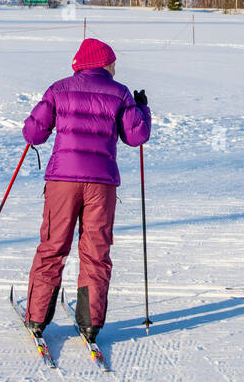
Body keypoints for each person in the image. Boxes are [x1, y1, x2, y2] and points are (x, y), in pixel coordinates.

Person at [22, 37, 151, 341]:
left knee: (53, 246)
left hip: (62, 183)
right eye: (112, 63)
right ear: (103, 64)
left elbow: (33, 133)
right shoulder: (120, 94)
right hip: (101, 184)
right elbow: (137, 136)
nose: (115, 69)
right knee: (96, 250)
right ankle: (91, 322)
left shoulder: (58, 89)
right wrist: (142, 110)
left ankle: (37, 318)